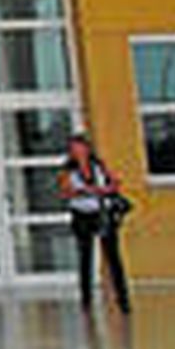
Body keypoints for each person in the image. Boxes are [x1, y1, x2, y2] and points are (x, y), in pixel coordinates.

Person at [60, 133, 132, 314]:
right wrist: (90, 191)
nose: (77, 151)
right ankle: (86, 300)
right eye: (73, 149)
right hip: (82, 216)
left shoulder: (99, 166)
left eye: (80, 147)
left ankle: (123, 299)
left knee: (113, 257)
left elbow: (114, 183)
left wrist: (105, 188)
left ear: (87, 148)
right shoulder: (67, 170)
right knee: (86, 257)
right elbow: (67, 191)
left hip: (102, 213)